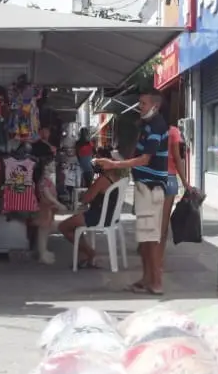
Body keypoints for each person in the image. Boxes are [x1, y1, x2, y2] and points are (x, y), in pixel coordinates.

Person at [94, 88, 171, 295]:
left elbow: (145, 159)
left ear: (154, 106)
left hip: (151, 187)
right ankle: (147, 279)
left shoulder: (157, 125)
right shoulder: (147, 125)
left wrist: (113, 165)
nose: (139, 107)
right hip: (144, 186)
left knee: (151, 239)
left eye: (143, 104)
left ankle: (156, 282)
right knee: (145, 239)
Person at [59, 134, 133, 268]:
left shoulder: (103, 179)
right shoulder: (119, 179)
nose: (99, 161)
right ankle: (84, 257)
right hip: (111, 217)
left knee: (63, 226)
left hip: (98, 216)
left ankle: (90, 253)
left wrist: (87, 192)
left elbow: (87, 198)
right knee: (75, 226)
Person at [157, 115, 190, 268]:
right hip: (169, 178)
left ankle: (151, 255)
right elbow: (177, 158)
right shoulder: (173, 131)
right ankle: (159, 258)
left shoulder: (149, 130)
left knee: (150, 221)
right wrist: (185, 182)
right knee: (163, 224)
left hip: (151, 179)